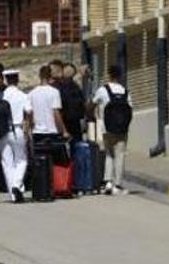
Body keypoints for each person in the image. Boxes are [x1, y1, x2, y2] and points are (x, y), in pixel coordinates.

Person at [93, 65, 134, 195]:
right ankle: (118, 184)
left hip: (107, 127)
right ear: (120, 75)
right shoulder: (125, 91)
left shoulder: (102, 90)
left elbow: (93, 103)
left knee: (109, 154)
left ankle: (108, 182)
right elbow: (130, 109)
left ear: (109, 74)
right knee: (120, 155)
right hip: (122, 128)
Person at [0, 70, 31, 203]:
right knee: (21, 159)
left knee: (7, 162)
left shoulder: (0, 96)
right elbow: (29, 112)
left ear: (6, 80)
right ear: (17, 80)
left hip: (2, 130)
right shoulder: (22, 95)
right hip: (17, 129)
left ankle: (13, 192)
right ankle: (17, 185)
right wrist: (28, 129)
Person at [26, 65, 68, 156]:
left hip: (37, 132)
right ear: (50, 76)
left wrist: (29, 129)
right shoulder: (54, 92)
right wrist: (64, 130)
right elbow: (56, 113)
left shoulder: (31, 93)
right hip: (51, 132)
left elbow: (29, 113)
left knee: (41, 162)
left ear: (39, 76)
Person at [57, 63, 86, 146]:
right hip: (76, 121)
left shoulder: (59, 87)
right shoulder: (76, 87)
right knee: (76, 145)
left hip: (64, 120)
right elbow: (82, 103)